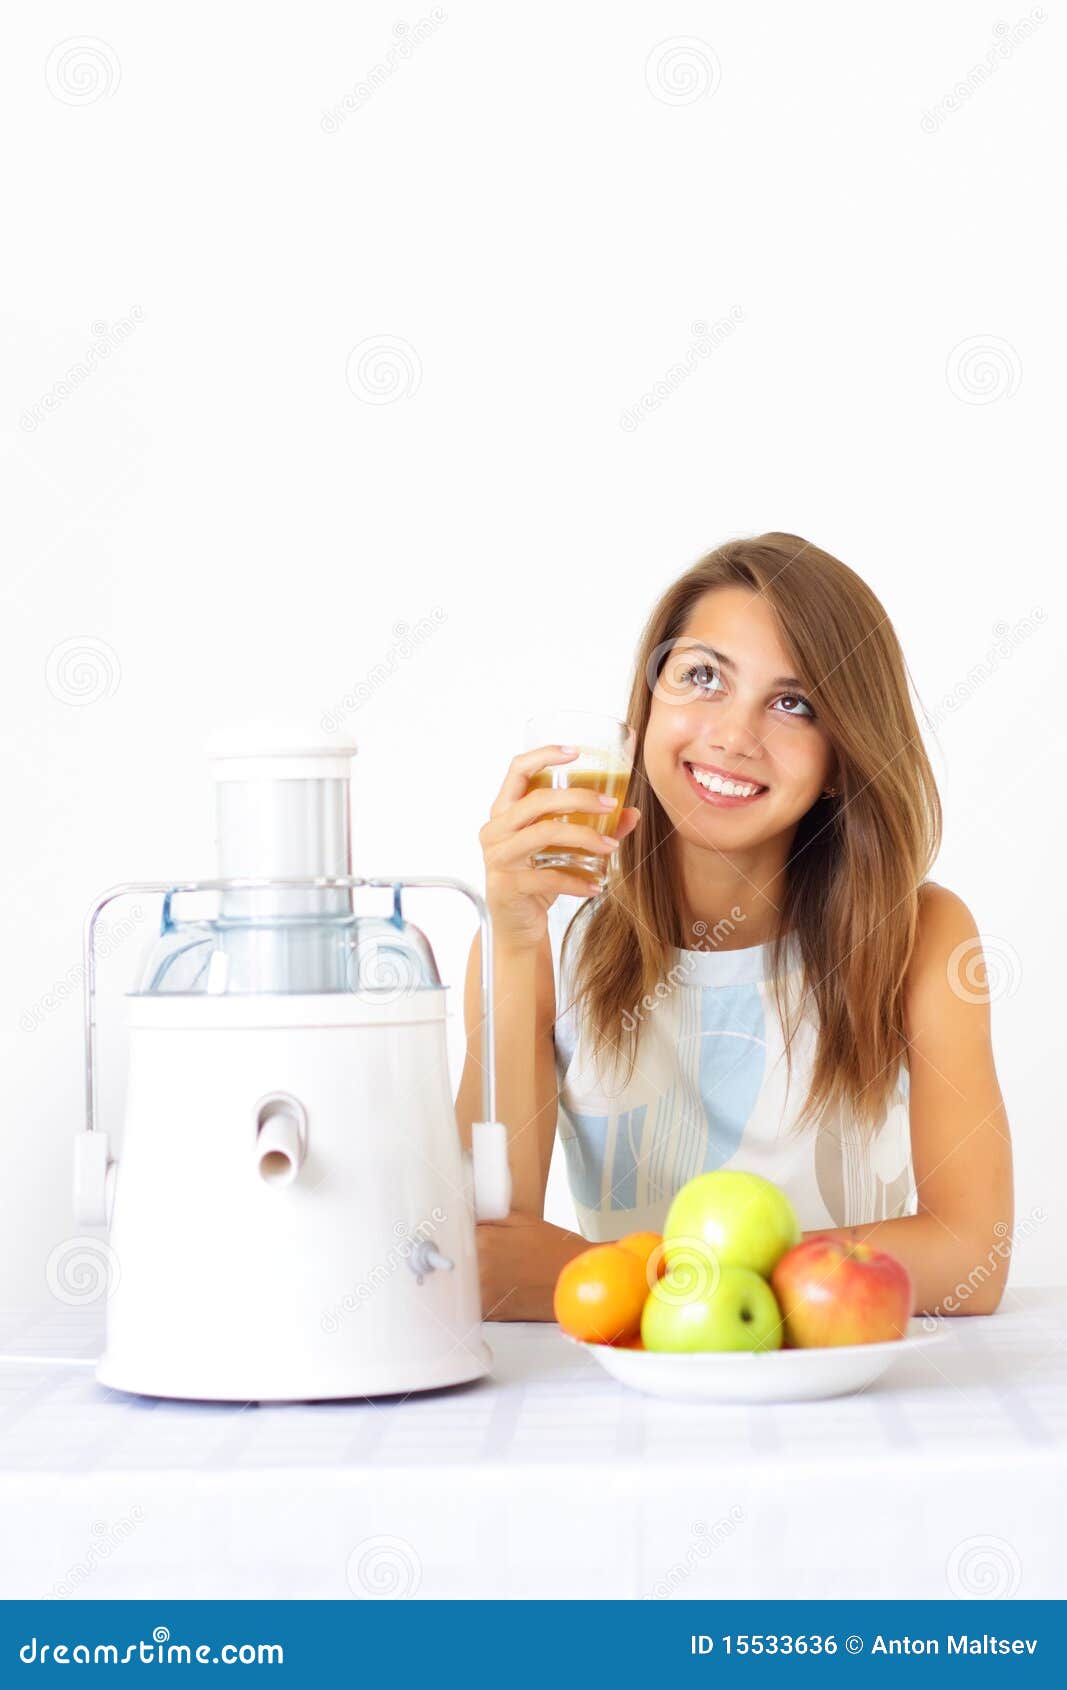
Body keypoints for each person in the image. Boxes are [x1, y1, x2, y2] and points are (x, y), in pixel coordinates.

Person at [455, 533, 1013, 1320]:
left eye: (793, 704)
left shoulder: (918, 934)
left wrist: (634, 1275)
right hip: (636, 1383)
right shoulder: (544, 937)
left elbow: (969, 1259)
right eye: (702, 677)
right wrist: (513, 940)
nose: (732, 736)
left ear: (840, 758)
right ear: (647, 704)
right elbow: (481, 1252)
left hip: (836, 1376)